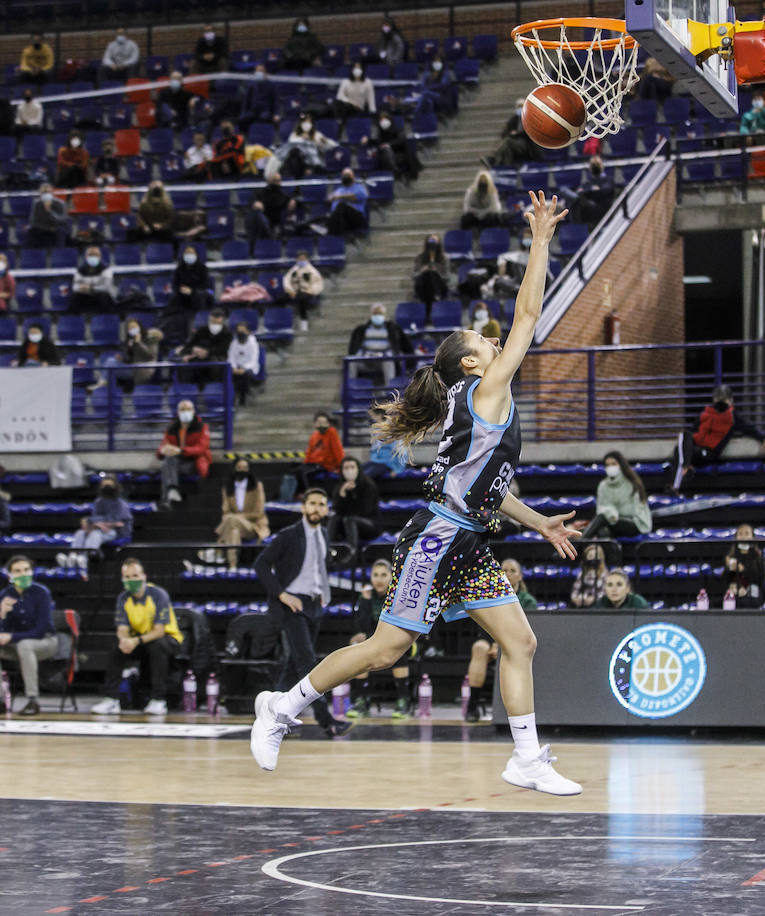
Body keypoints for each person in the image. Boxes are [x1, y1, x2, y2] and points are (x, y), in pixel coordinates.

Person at [247, 193, 584, 795]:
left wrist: (540, 525)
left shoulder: (480, 404)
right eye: (483, 341)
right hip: (437, 539)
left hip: (468, 538)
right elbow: (529, 317)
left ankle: (526, 759)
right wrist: (538, 240)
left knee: (519, 639)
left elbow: (491, 490)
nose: (493, 340)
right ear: (474, 367)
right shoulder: (486, 394)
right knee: (385, 651)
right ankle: (281, 706)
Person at [252, 489, 352, 738]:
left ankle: (272, 719)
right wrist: (282, 595)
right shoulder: (288, 535)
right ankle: (326, 720)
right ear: (303, 508)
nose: (317, 508)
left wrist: (319, 592)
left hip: (313, 605)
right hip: (291, 606)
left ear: (326, 509)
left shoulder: (324, 535)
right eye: (312, 504)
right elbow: (260, 564)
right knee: (308, 663)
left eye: (321, 504)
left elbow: (317, 568)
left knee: (291, 666)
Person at [91, 559, 182, 716]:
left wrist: (135, 641)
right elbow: (122, 628)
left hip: (168, 639)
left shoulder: (158, 595)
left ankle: (158, 700)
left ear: (144, 577)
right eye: (127, 577)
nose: (131, 580)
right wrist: (124, 641)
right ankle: (111, 699)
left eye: (135, 575)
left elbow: (159, 631)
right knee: (116, 648)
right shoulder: (123, 598)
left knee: (157, 645)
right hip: (140, 640)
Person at [0, 555, 57, 716]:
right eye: (18, 571)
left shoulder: (41, 592)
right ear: (10, 575)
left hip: (45, 642)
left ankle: (33, 700)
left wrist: (12, 638)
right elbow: (0, 630)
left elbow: (41, 630)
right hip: (18, 645)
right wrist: (2, 614)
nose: (23, 574)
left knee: (25, 645)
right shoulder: (6, 594)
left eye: (26, 570)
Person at [670, 385, 765, 494]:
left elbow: (748, 428)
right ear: (714, 400)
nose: (721, 402)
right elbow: (692, 432)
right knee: (684, 437)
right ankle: (686, 467)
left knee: (682, 450)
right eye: (719, 399)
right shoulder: (704, 414)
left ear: (730, 401)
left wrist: (763, 439)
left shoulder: (732, 416)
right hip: (694, 450)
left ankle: (678, 482)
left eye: (724, 399)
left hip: (708, 453)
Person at [346, 560, 417, 718]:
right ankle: (361, 700)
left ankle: (403, 700)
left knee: (397, 648)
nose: (379, 579)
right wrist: (364, 602)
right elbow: (362, 627)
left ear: (391, 577)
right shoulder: (366, 596)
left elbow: (404, 623)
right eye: (375, 575)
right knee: (359, 647)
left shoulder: (399, 594)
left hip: (404, 638)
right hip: (376, 641)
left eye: (383, 575)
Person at [58, 476, 132, 579]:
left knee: (95, 534)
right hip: (99, 528)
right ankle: (72, 556)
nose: (106, 488)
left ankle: (84, 558)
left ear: (115, 487)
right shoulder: (99, 501)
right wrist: (95, 523)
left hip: (116, 531)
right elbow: (94, 518)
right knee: (81, 532)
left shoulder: (120, 503)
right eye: (104, 485)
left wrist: (98, 522)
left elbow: (114, 519)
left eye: (109, 486)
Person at [215, 457, 269, 571]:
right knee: (233, 530)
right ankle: (233, 565)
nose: (242, 470)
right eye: (239, 467)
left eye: (245, 467)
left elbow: (258, 513)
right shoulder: (227, 488)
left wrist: (236, 517)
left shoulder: (257, 486)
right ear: (234, 469)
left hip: (254, 526)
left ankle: (219, 549)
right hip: (233, 526)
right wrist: (233, 518)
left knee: (231, 520)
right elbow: (225, 512)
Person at [584, 450, 651, 540]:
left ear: (621, 465)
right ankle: (610, 554)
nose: (610, 467)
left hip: (635, 523)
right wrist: (612, 515)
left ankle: (577, 545)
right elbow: (601, 507)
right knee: (603, 531)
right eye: (607, 465)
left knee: (602, 517)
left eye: (613, 464)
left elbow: (633, 511)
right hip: (612, 522)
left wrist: (613, 515)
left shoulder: (632, 483)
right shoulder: (603, 486)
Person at [156, 400, 212, 508]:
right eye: (182, 409)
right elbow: (163, 446)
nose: (185, 412)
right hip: (176, 463)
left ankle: (166, 499)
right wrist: (163, 450)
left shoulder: (202, 427)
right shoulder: (171, 428)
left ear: (193, 411)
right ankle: (172, 491)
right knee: (167, 461)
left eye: (188, 409)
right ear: (178, 412)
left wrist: (181, 451)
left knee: (166, 466)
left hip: (194, 463)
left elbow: (201, 448)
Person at [347, 303, 413, 386]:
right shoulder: (361, 329)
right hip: (365, 360)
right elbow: (355, 349)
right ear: (371, 315)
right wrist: (364, 355)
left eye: (380, 314)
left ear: (384, 315)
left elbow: (403, 347)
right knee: (352, 362)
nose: (377, 316)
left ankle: (390, 390)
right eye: (375, 313)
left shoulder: (392, 328)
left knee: (388, 361)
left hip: (383, 360)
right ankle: (352, 388)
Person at [328, 456, 380, 560]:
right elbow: (337, 510)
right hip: (347, 524)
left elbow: (365, 510)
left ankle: (352, 555)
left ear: (358, 469)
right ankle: (328, 551)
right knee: (334, 518)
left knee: (349, 519)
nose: (349, 471)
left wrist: (351, 495)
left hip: (370, 524)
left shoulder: (368, 485)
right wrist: (342, 495)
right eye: (346, 468)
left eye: (352, 467)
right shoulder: (340, 487)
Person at [163, 245, 212, 343]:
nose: (189, 255)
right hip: (182, 297)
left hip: (197, 297)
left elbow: (205, 285)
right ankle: (173, 335)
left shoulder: (202, 268)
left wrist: (192, 291)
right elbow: (175, 284)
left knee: (198, 297)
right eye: (187, 253)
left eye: (191, 253)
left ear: (196, 255)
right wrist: (181, 289)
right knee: (173, 308)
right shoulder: (180, 268)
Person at [290, 412, 344, 497]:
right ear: (315, 423)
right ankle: (297, 494)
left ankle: (309, 494)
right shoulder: (314, 435)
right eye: (319, 422)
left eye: (324, 423)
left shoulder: (332, 433)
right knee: (295, 471)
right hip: (312, 463)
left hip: (324, 465)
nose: (321, 425)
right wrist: (305, 463)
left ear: (328, 423)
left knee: (305, 473)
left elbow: (338, 451)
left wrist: (339, 467)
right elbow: (309, 451)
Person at [177, 307, 232, 386]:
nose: (215, 321)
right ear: (210, 318)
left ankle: (215, 389)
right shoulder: (201, 331)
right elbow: (187, 347)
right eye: (213, 319)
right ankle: (188, 390)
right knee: (185, 365)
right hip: (198, 360)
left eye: (218, 319)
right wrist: (194, 349)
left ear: (222, 319)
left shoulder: (227, 333)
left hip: (216, 361)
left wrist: (206, 352)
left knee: (216, 365)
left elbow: (223, 350)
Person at [719, 524, 765, 609]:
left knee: (750, 599)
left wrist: (743, 570)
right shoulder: (731, 555)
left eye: (747, 533)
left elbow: (760, 578)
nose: (743, 536)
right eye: (740, 534)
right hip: (734, 589)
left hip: (752, 590)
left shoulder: (757, 556)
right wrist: (729, 569)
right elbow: (724, 579)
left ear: (752, 537)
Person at [487, 99, 543, 168]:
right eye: (518, 106)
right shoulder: (514, 119)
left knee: (508, 141)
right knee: (508, 149)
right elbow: (504, 133)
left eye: (521, 106)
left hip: (527, 146)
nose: (520, 108)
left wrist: (516, 133)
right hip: (515, 145)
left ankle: (494, 158)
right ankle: (507, 168)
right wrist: (510, 134)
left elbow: (529, 134)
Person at [562, 156, 616, 225]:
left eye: (597, 164)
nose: (595, 166)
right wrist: (590, 191)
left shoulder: (608, 180)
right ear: (590, 168)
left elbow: (603, 191)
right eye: (593, 164)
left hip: (601, 209)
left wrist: (586, 192)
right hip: (586, 211)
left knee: (577, 198)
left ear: (602, 166)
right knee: (564, 190)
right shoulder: (588, 182)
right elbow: (582, 190)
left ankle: (569, 203)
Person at [109, 317, 158, 393]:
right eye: (130, 328)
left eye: (134, 327)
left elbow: (149, 355)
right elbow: (130, 359)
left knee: (110, 365)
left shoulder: (149, 338)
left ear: (139, 326)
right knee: (111, 361)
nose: (132, 329)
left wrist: (138, 343)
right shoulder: (130, 340)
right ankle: (107, 387)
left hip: (143, 370)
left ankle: (104, 383)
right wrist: (122, 359)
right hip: (132, 368)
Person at [282, 251, 324, 332]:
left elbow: (318, 283)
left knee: (302, 299)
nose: (301, 260)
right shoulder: (293, 270)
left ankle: (304, 322)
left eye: (303, 259)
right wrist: (290, 291)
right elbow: (286, 281)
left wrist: (310, 291)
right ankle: (283, 323)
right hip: (294, 292)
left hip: (307, 293)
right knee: (279, 299)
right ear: (297, 260)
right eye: (300, 259)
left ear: (307, 259)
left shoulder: (312, 271)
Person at [70, 247, 116, 312]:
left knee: (104, 296)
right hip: (86, 295)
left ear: (100, 257)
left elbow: (106, 287)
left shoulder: (106, 269)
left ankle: (104, 317)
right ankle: (75, 318)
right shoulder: (80, 270)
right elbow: (74, 287)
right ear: (86, 257)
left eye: (95, 255)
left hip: (99, 296)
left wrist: (91, 288)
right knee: (74, 297)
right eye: (90, 255)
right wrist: (80, 288)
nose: (93, 257)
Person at [327, 168, 369, 236]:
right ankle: (335, 240)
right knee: (331, 218)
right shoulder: (339, 190)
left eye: (348, 175)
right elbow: (330, 198)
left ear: (353, 177)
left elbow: (359, 196)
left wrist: (340, 197)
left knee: (341, 206)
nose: (346, 177)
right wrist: (331, 197)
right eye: (344, 175)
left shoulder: (359, 187)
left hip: (356, 218)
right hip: (342, 220)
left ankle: (331, 235)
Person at [412, 235, 451, 307]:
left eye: (435, 241)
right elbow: (414, 276)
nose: (432, 245)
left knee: (433, 274)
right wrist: (422, 271)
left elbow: (447, 277)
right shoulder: (420, 257)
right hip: (423, 287)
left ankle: (436, 296)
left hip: (439, 286)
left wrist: (437, 273)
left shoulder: (444, 258)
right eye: (430, 241)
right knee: (428, 274)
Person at [228, 321, 260, 406]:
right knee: (228, 374)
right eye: (238, 331)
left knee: (245, 375)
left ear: (248, 332)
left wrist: (243, 369)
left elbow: (254, 360)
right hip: (236, 368)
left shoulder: (253, 343)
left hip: (250, 369)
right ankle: (231, 399)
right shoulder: (234, 343)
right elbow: (231, 357)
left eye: (242, 331)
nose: (240, 333)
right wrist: (234, 367)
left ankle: (243, 398)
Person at [569, 543, 607, 608]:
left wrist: (594, 599)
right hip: (581, 604)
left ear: (600, 557)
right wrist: (576, 599)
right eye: (590, 556)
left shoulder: (604, 574)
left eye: (595, 556)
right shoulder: (582, 573)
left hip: (598, 605)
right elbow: (575, 591)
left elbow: (604, 593)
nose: (592, 559)